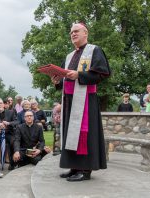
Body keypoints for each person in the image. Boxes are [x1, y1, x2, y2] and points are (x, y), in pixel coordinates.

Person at [52, 23, 111, 182]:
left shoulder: (94, 50)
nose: (73, 34)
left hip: (85, 100)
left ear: (86, 33)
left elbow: (103, 73)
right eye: (71, 32)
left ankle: (85, 170)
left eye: (76, 31)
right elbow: (65, 76)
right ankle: (74, 167)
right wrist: (57, 81)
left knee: (84, 134)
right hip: (69, 101)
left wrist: (79, 75)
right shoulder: (69, 56)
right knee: (71, 134)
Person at [0, 98, 19, 170]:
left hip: (9, 133)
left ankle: (13, 163)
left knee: (13, 142)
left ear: (3, 104)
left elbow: (17, 122)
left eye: (0, 103)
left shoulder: (10, 112)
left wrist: (8, 123)